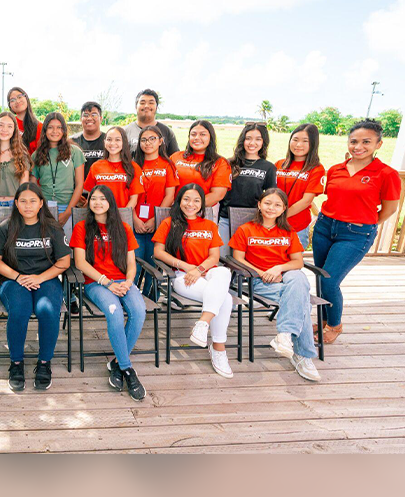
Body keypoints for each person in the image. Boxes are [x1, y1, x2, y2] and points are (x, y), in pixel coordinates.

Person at [312, 119, 401, 344]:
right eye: (354, 141)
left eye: (366, 142)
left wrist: (363, 224)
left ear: (378, 144)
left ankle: (335, 325)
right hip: (324, 227)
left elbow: (389, 209)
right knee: (320, 278)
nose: (358, 146)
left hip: (355, 234)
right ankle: (323, 320)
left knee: (330, 281)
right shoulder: (336, 169)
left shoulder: (386, 173)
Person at [230, 188, 321, 382]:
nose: (272, 208)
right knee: (302, 300)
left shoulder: (288, 232)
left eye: (277, 205)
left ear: (284, 209)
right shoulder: (246, 229)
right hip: (258, 280)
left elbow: (297, 262)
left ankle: (286, 335)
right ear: (259, 205)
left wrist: (278, 268)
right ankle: (303, 355)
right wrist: (262, 272)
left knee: (298, 277)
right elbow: (237, 258)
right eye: (268, 203)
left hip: (284, 277)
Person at [0, 182, 71, 391]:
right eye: (23, 201)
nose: (27, 205)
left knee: (47, 310)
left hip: (46, 279)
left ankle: (44, 363)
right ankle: (16, 363)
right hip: (13, 280)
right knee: (20, 310)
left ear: (41, 203)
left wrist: (40, 278)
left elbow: (64, 262)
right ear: (16, 203)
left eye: (33, 201)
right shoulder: (7, 227)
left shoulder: (52, 228)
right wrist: (17, 277)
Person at [70, 185, 147, 401]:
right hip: (95, 282)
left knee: (139, 312)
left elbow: (132, 263)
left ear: (110, 202)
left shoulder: (123, 228)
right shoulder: (82, 228)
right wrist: (106, 282)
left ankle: (116, 363)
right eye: (93, 198)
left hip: (123, 281)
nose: (97, 202)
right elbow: (80, 262)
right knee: (114, 312)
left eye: (102, 199)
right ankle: (128, 370)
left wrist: (129, 282)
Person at [152, 183, 234, 378]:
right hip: (183, 277)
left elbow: (214, 257)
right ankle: (218, 349)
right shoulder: (169, 223)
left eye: (197, 200)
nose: (191, 204)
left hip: (207, 273)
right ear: (179, 201)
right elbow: (158, 252)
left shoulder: (209, 225)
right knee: (227, 299)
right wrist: (185, 266)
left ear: (202, 204)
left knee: (223, 273)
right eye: (186, 199)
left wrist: (199, 269)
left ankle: (202, 324)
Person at [218, 122, 277, 255]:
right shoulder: (228, 164)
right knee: (222, 259)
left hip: (253, 220)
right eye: (248, 138)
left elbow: (271, 196)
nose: (252, 143)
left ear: (263, 142)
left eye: (258, 139)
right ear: (242, 140)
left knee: (247, 261)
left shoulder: (268, 167)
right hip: (226, 218)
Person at [133, 125, 179, 295]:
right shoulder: (133, 164)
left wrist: (154, 218)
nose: (148, 143)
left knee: (154, 264)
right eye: (144, 139)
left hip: (157, 223)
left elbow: (170, 195)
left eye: (152, 138)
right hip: (135, 222)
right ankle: (133, 297)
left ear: (160, 141)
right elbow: (128, 195)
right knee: (135, 264)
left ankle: (151, 298)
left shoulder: (168, 165)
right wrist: (135, 218)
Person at [30, 112, 85, 236]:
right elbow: (33, 185)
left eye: (59, 127)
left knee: (65, 249)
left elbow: (80, 184)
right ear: (45, 130)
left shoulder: (75, 152)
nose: (55, 131)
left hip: (67, 207)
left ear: (64, 130)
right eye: (50, 127)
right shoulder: (37, 154)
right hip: (44, 208)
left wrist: (67, 213)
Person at [275, 123, 325, 250]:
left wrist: (280, 216)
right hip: (273, 224)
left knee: (290, 265)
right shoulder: (279, 164)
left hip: (297, 226)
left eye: (305, 141)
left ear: (313, 144)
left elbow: (306, 201)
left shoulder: (316, 169)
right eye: (295, 139)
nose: (298, 145)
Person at [0, 112, 31, 235]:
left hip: (15, 207)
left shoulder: (22, 156)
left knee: (13, 246)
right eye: (1, 125)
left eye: (9, 126)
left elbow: (24, 188)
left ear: (14, 130)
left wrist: (16, 209)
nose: (4, 130)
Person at [170, 120, 232, 208]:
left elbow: (217, 195)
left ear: (211, 138)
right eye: (193, 134)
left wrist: (188, 207)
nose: (197, 138)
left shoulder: (221, 163)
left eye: (203, 134)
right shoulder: (175, 157)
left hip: (203, 211)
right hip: (174, 209)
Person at [83, 126, 144, 209]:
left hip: (122, 218)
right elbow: (91, 196)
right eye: (109, 139)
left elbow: (133, 200)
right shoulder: (96, 166)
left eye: (117, 140)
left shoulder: (133, 167)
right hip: (100, 217)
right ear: (104, 142)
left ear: (124, 142)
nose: (112, 143)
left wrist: (120, 217)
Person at [123, 89, 180, 155]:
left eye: (151, 103)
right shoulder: (125, 132)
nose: (146, 106)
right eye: (142, 103)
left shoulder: (167, 132)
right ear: (136, 106)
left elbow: (175, 158)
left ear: (156, 107)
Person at [71, 101, 107, 181]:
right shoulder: (72, 142)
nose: (89, 118)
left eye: (94, 115)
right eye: (86, 115)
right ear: (81, 119)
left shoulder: (109, 141)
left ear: (100, 119)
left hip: (102, 190)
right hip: (77, 190)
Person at [7, 86, 43, 154]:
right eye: (12, 100)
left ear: (26, 98)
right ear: (10, 106)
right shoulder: (8, 123)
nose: (17, 101)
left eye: (19, 97)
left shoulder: (39, 127)